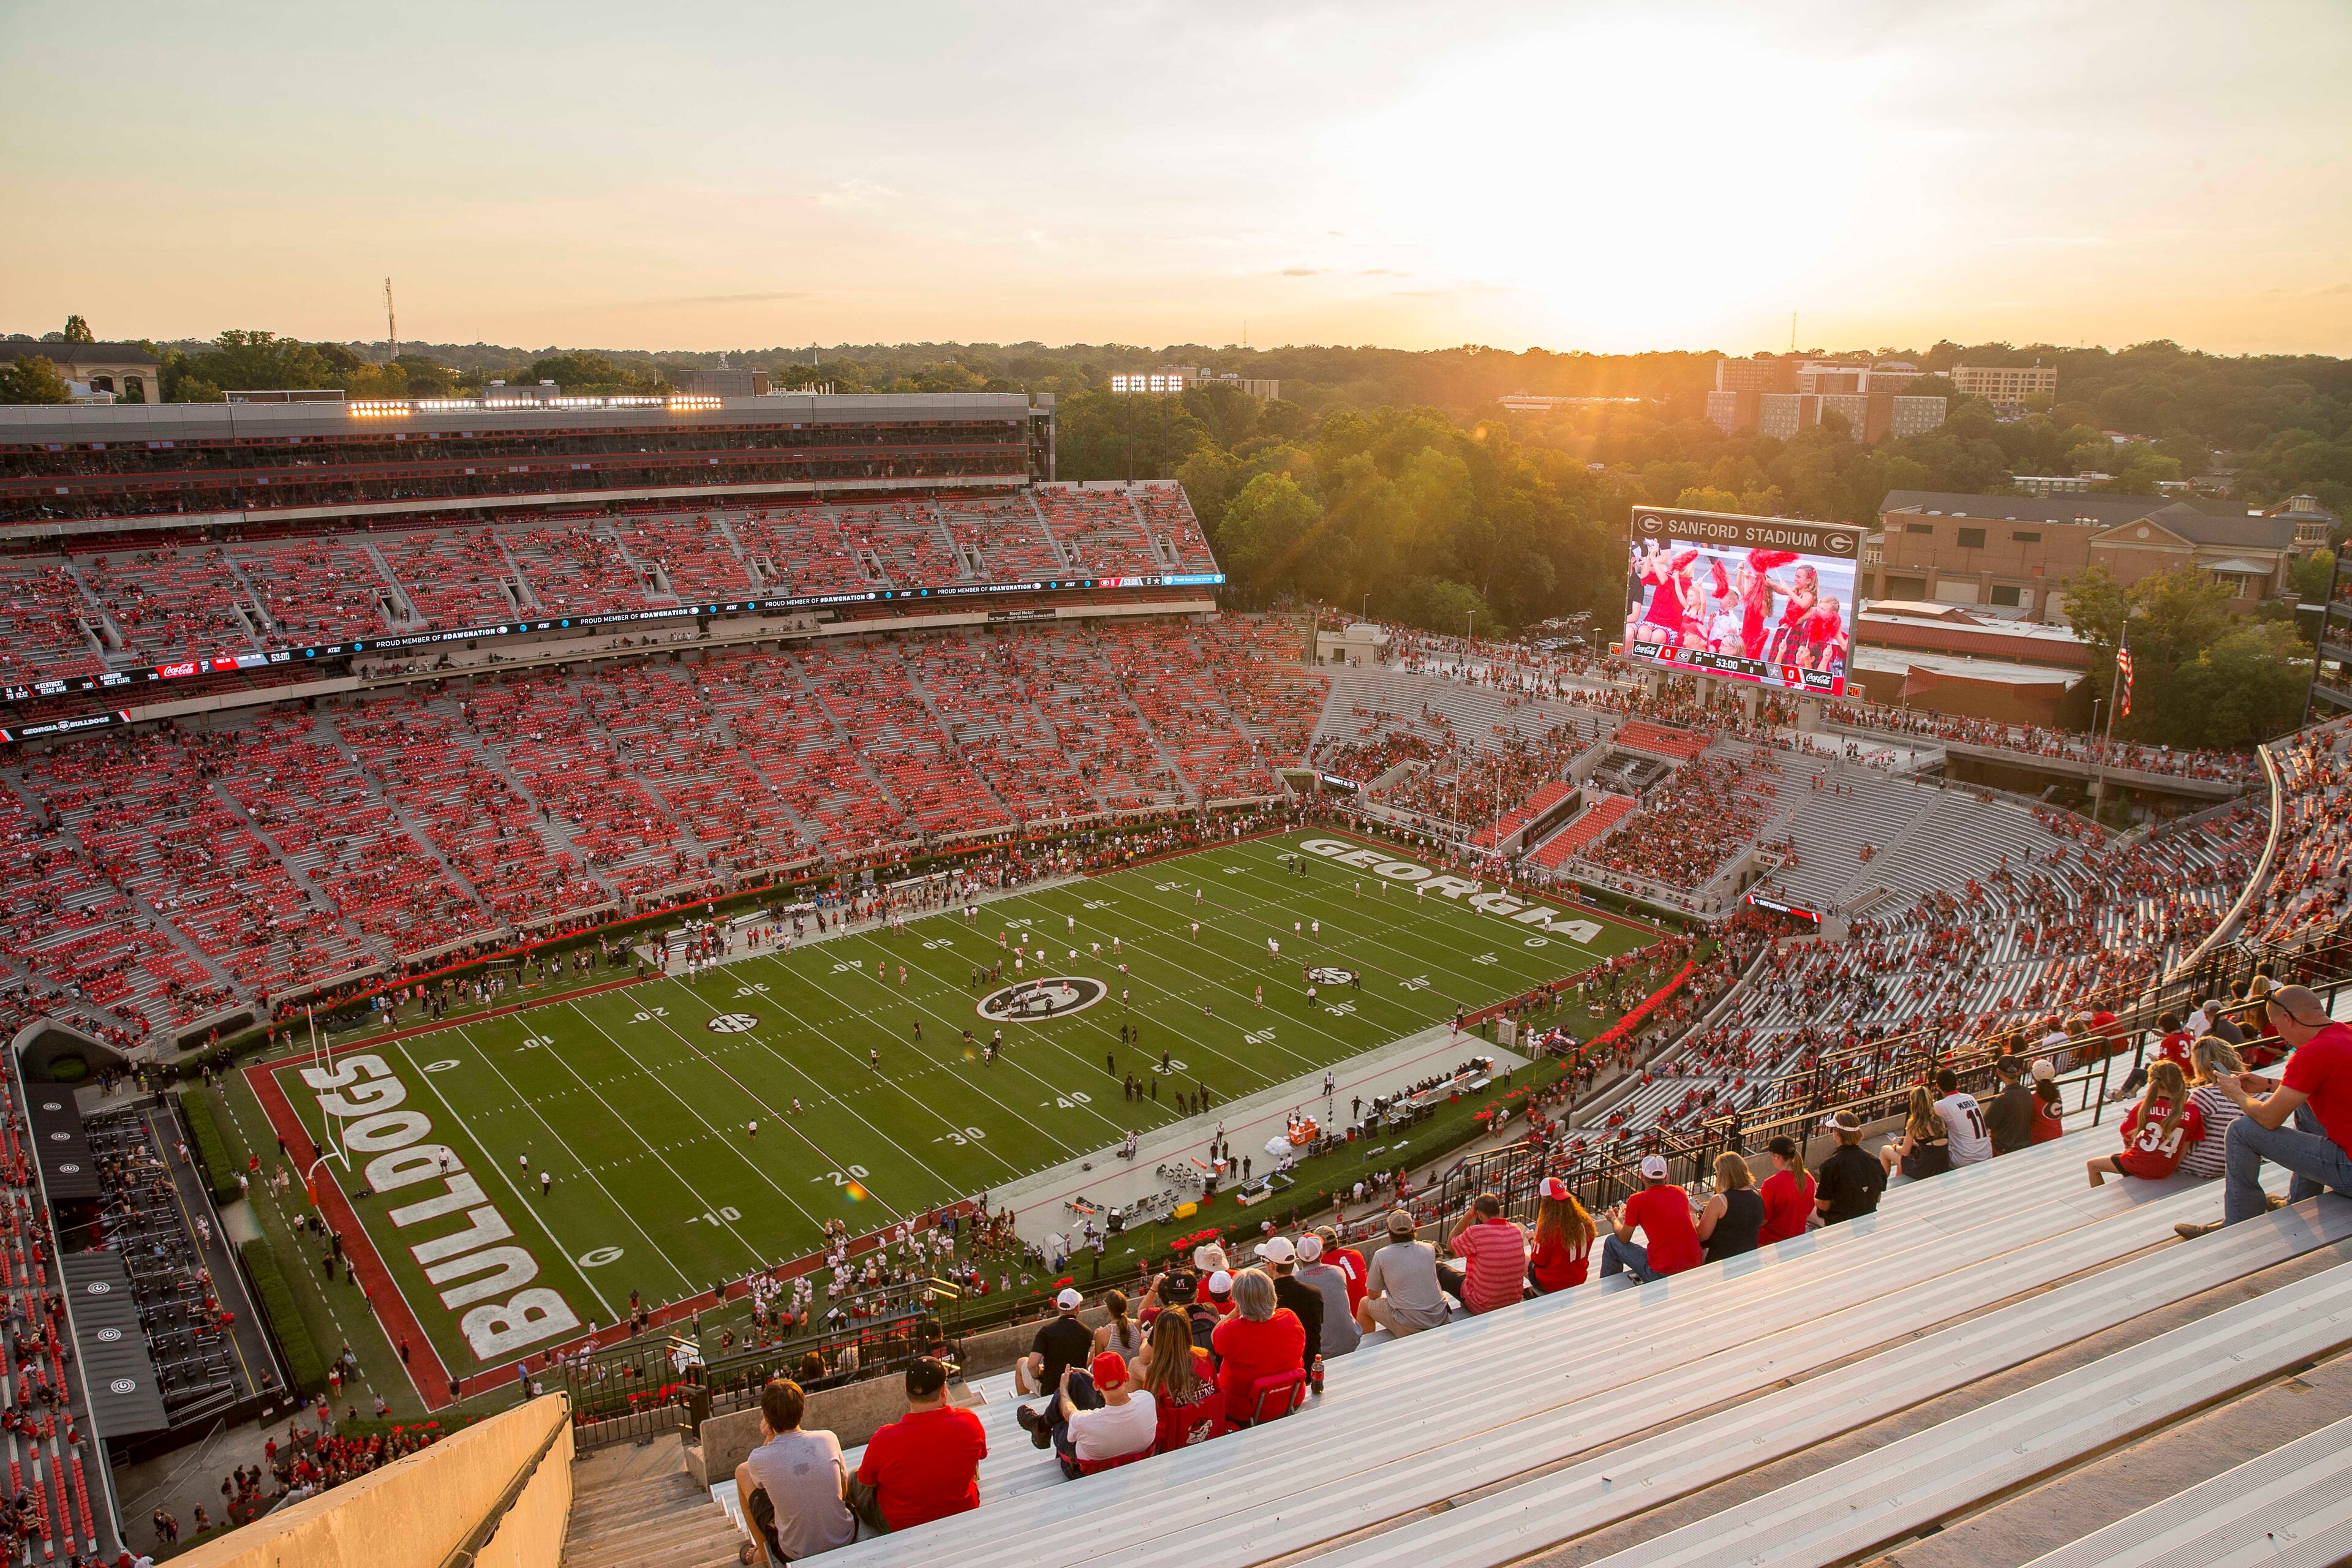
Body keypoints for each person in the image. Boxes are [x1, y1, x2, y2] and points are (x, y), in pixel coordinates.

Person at [2179, 985, 2352, 1238]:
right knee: (2304, 1106)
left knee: (2241, 1130)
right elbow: (2326, 1084)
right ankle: (2299, 1200)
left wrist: (2236, 1094)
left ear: (2287, 1019)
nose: (2279, 1034)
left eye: (2275, 1025)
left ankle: (2238, 1221)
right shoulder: (2345, 1034)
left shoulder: (2312, 1053)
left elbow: (2269, 1119)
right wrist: (2269, 1084)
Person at [851, 1358, 986, 1534]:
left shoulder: (883, 1439)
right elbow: (981, 1455)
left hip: (900, 1524)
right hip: (962, 1509)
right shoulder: (969, 1421)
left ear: (906, 1389)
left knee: (852, 1477)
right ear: (944, 1391)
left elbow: (866, 1481)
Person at [734, 1378, 855, 1564]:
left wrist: (769, 1434)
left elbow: (762, 1478)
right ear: (802, 1409)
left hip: (797, 1552)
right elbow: (843, 1491)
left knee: (741, 1472)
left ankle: (764, 1556)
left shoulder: (758, 1459)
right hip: (845, 1536)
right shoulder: (828, 1438)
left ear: (765, 1417)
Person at [1212, 1269, 1306, 1428]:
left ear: (1239, 1303)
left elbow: (1215, 1337)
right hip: (1291, 1398)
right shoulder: (1289, 1318)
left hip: (1245, 1411)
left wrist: (1236, 1311)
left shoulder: (1230, 1332)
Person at [2088, 1060, 2205, 1186]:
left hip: (2138, 1165)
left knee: (2092, 1165)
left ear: (2152, 1082)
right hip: (2166, 1169)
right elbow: (2186, 1145)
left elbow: (2125, 1132)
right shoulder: (2192, 1110)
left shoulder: (2145, 1106)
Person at [1052, 1352, 1156, 1479]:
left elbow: (1068, 1412)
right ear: (1128, 1377)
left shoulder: (1084, 1421)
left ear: (1096, 1386)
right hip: (1139, 1460)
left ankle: (1042, 1425)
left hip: (1086, 1472)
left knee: (1064, 1398)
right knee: (1078, 1384)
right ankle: (1040, 1425)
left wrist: (1063, 1387)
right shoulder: (1147, 1399)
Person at [1600, 1154, 1702, 1283]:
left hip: (1661, 1272)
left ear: (1642, 1177)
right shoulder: (1679, 1191)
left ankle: (1607, 1287)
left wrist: (1614, 1219)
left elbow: (1624, 1238)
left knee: (1611, 1242)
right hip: (1695, 1264)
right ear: (1666, 1177)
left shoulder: (1636, 1200)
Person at [1015, 1289, 1096, 1447]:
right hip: (1075, 1387)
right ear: (1078, 1308)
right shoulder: (1087, 1332)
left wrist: (1038, 1374)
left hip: (1050, 1387)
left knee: (1021, 1362)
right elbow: (1082, 1363)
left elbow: (1032, 1364)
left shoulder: (1046, 1331)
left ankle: (1022, 1405)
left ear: (1058, 1308)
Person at [1353, 1208, 1449, 1338]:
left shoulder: (1381, 1255)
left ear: (1389, 1231)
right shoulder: (1429, 1248)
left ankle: (1363, 1351)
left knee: (1365, 1303)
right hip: (1441, 1318)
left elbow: (1373, 1295)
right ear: (1413, 1229)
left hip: (1411, 1326)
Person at [1139, 1310, 1223, 1451]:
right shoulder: (1205, 1357)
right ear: (1187, 1330)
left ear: (1158, 1336)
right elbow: (1216, 1394)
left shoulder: (1157, 1373)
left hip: (1174, 1446)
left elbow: (1152, 1416)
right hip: (1212, 1434)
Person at [1441, 1192, 1528, 1313]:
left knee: (1440, 1269)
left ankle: (1435, 1317)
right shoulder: (1516, 1229)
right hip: (1512, 1300)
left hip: (1483, 1305)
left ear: (1479, 1215)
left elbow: (1450, 1247)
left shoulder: (1476, 1233)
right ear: (1499, 1211)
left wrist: (1468, 1216)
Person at [2180, 1037, 2247, 1181]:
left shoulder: (2205, 1095)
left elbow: (2185, 1136)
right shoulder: (2261, 1095)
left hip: (2203, 1165)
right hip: (2240, 1164)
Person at [1258, 1237, 1324, 1370]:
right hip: (1312, 1369)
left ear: (1272, 1266)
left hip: (1284, 1373)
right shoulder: (1314, 1293)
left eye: (1264, 1261)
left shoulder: (1264, 1300)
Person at [1813, 1110, 1887, 1226]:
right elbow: (1877, 1198)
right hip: (1867, 1217)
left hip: (1838, 1222)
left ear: (1837, 1134)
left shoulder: (1830, 1165)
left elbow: (1824, 1205)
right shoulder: (1874, 1161)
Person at [1293, 1234, 1360, 1357]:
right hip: (1353, 1341)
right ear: (1321, 1253)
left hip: (1323, 1351)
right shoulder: (1338, 1271)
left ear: (1298, 1256)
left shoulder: (1296, 1281)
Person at [1526, 1176, 1595, 1294]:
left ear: (1544, 1198)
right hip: (1579, 1278)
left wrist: (1532, 1239)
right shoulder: (1586, 1221)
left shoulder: (1549, 1227)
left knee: (1523, 1257)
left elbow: (1539, 1261)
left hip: (1552, 1283)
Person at [1695, 1151, 1763, 1263]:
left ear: (1724, 1175)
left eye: (1716, 1174)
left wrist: (1693, 1214)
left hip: (1722, 1261)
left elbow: (1701, 1236)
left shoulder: (1719, 1201)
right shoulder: (1758, 1196)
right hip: (1750, 1259)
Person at [1879, 1087, 1951, 1182]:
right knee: (1909, 1152)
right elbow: (1932, 1144)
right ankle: (1898, 1179)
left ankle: (1879, 1183)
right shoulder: (1940, 1120)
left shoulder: (1914, 1124)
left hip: (1923, 1171)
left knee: (1885, 1150)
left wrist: (1895, 1146)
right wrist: (1914, 1143)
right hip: (1941, 1167)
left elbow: (1905, 1152)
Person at [1755, 1136, 1815, 1246]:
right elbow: (1808, 1210)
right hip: (1797, 1237)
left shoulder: (1771, 1184)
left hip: (1769, 1241)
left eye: (1771, 1155)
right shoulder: (1809, 1179)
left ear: (1776, 1156)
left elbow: (1764, 1219)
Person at [1933, 1068, 1994, 1166]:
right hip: (1986, 1153)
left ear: (1938, 1087)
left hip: (1965, 1159)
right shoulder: (1970, 1098)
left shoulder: (1941, 1105)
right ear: (1957, 1083)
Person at [1983, 1056, 2036, 1155]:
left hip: (2004, 1148)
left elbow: (1986, 1124)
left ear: (1998, 1072)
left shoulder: (2002, 1098)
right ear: (2019, 1072)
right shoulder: (2026, 1091)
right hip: (2025, 1143)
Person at [2028, 1059, 2068, 1144]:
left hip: (2039, 1140)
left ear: (2033, 1076)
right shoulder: (2057, 1094)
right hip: (2057, 1134)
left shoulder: (2033, 1098)